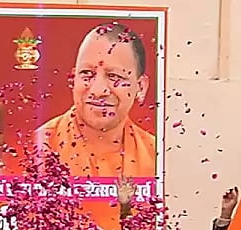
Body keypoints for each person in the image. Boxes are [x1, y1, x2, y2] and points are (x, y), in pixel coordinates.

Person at [35, 22, 156, 177]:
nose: (98, 91)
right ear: (73, 79)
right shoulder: (38, 150)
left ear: (140, 87)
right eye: (87, 74)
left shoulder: (156, 155)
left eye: (114, 76)